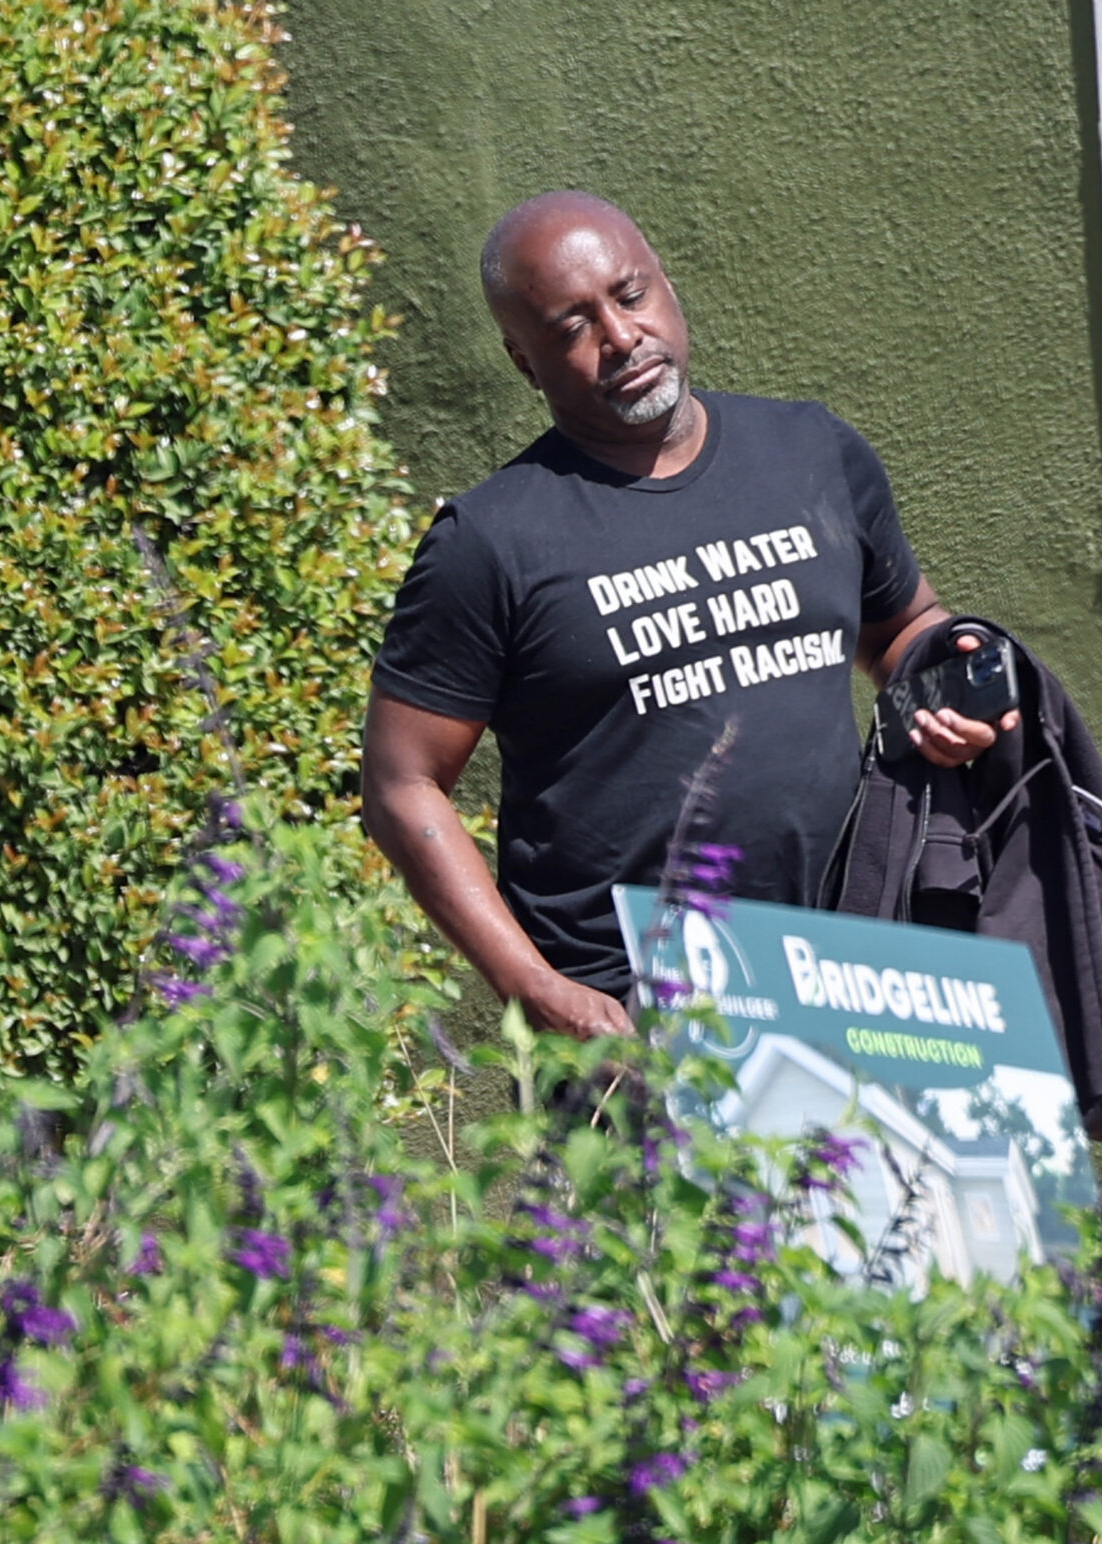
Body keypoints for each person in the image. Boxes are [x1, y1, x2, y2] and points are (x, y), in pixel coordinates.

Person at [360, 191, 1015, 1040]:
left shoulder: (812, 452)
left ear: (666, 283)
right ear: (524, 362)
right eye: (571, 327)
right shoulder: (489, 540)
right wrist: (529, 983)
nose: (620, 337)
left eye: (629, 296)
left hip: (846, 964)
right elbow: (399, 784)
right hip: (634, 1005)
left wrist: (943, 682)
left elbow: (899, 627)